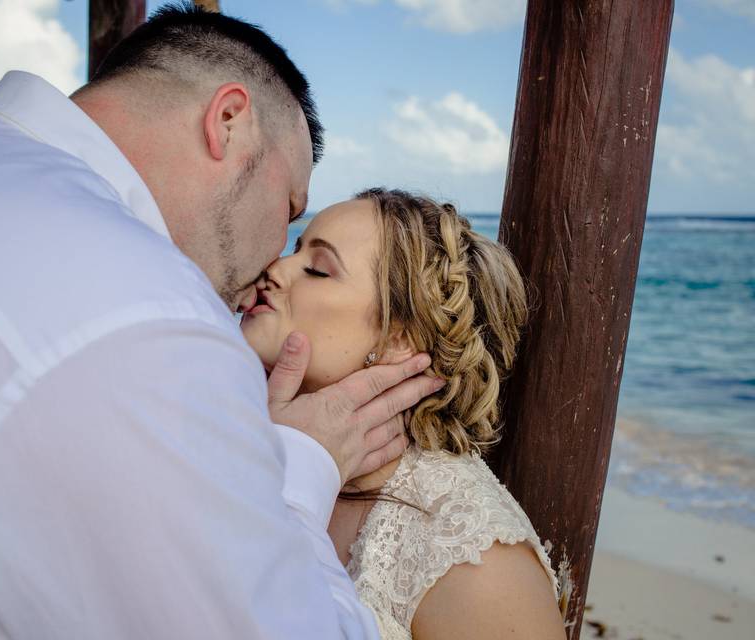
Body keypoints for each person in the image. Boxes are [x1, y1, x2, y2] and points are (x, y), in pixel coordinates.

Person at [0, 6, 441, 639]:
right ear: (229, 122)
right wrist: (298, 469)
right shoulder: (140, 307)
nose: (278, 248)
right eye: (290, 204)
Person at [241, 189, 567, 640]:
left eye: (317, 269)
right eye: (295, 251)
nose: (273, 269)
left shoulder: (470, 556)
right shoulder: (241, 439)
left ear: (401, 339)